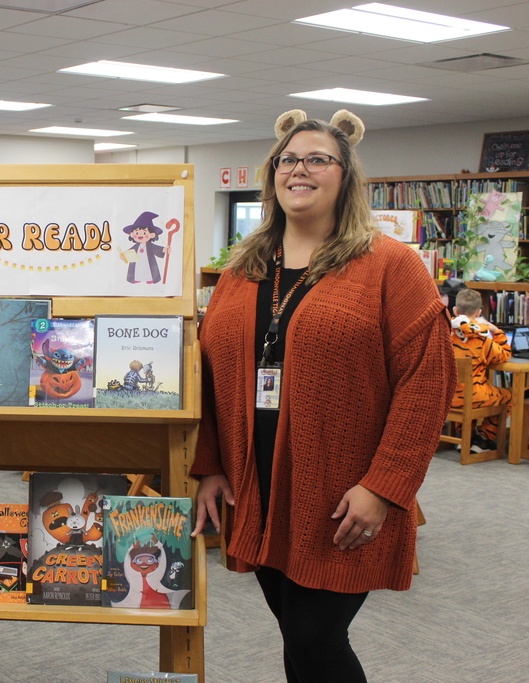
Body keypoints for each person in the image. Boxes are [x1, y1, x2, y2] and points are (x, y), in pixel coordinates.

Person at [190, 109, 456, 683]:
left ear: (345, 175)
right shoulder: (242, 270)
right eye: (288, 159)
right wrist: (210, 464)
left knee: (315, 638)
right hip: (255, 487)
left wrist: (385, 487)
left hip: (340, 495)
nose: (299, 170)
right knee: (297, 633)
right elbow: (207, 375)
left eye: (317, 159)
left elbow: (426, 383)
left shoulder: (391, 266)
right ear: (272, 175)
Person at [449, 287, 511, 451]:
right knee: (508, 396)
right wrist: (494, 330)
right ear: (479, 314)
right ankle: (484, 438)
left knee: (459, 388)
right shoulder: (484, 342)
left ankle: (464, 436)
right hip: (474, 397)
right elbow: (505, 354)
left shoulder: (444, 337)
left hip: (445, 396)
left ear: (455, 310)